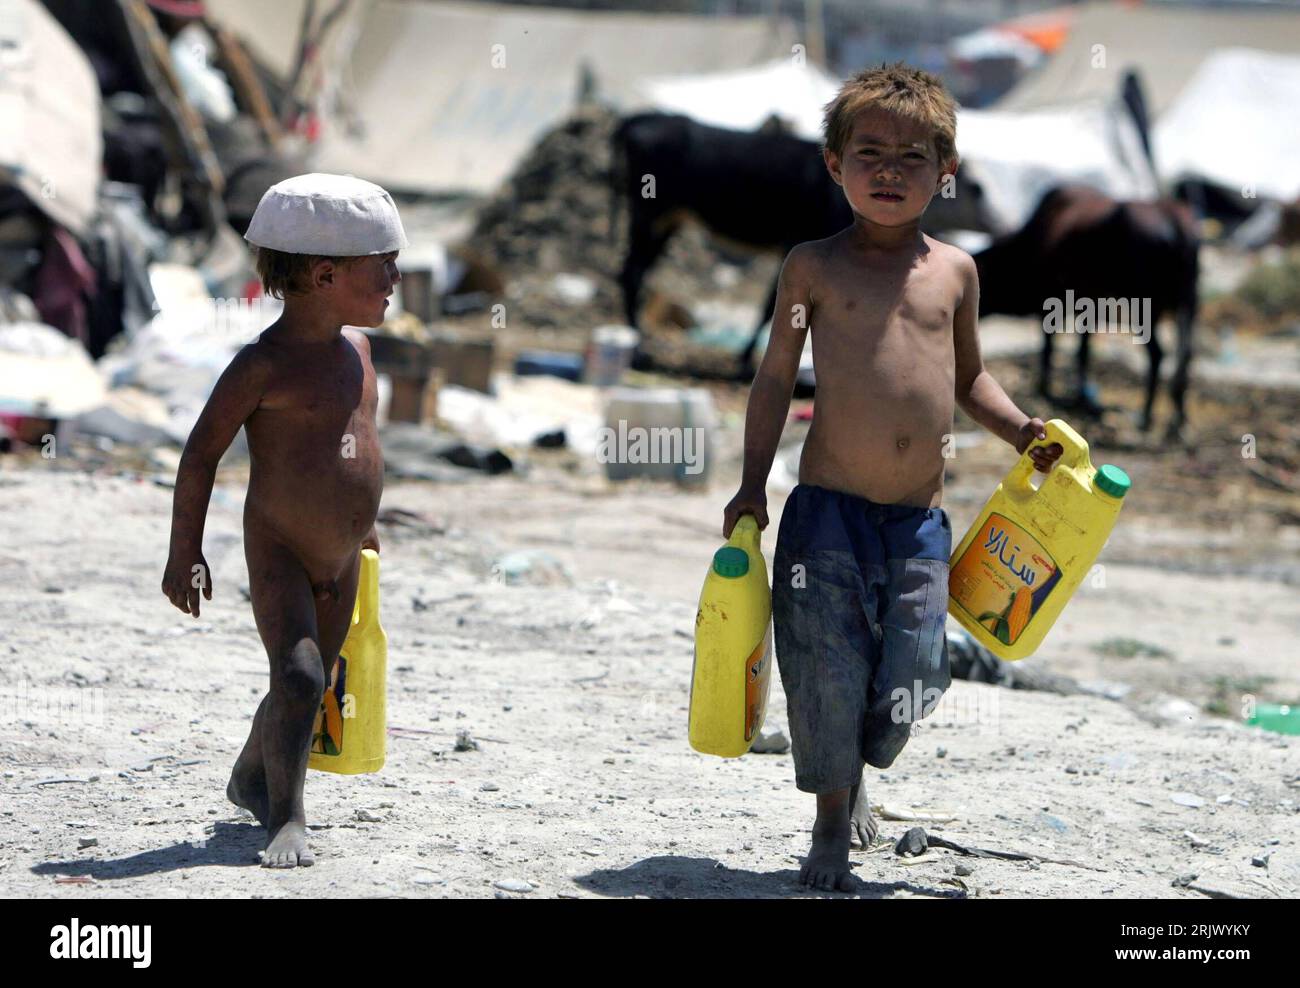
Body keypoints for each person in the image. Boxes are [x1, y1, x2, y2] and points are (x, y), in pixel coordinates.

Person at [721, 64, 1063, 892]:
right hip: (824, 515)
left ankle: (859, 763)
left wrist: (1021, 430)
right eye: (868, 152)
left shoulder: (956, 273)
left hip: (916, 521)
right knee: (825, 667)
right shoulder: (812, 267)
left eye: (913, 157)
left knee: (916, 669)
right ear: (834, 164)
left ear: (945, 174)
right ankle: (832, 822)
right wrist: (749, 486)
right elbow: (773, 379)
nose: (889, 171)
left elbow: (967, 376)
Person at [161, 173, 403, 867]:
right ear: (324, 274)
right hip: (283, 548)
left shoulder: (359, 352)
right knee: (296, 677)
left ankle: (248, 775)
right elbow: (201, 453)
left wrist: (367, 524)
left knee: (312, 680)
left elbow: (361, 442)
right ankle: (286, 816)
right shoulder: (262, 367)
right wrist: (186, 553)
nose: (394, 278)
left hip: (345, 555)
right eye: (380, 266)